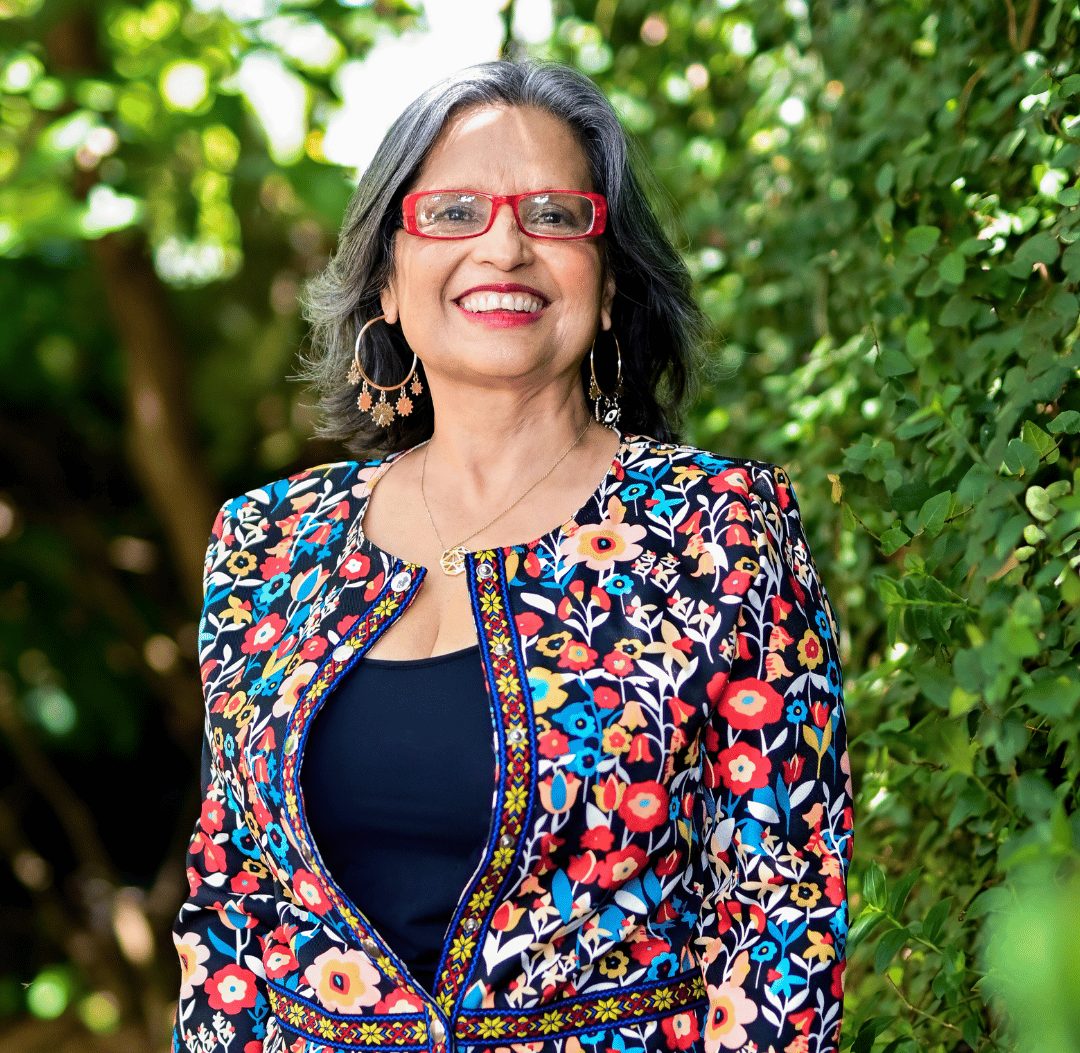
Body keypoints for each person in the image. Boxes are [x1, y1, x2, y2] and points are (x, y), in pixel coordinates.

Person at [172, 60, 851, 1053]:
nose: (503, 245)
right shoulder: (265, 542)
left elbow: (782, 921)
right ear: (386, 281)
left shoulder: (726, 530)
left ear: (609, 284)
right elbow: (230, 914)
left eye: (553, 215)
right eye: (452, 213)